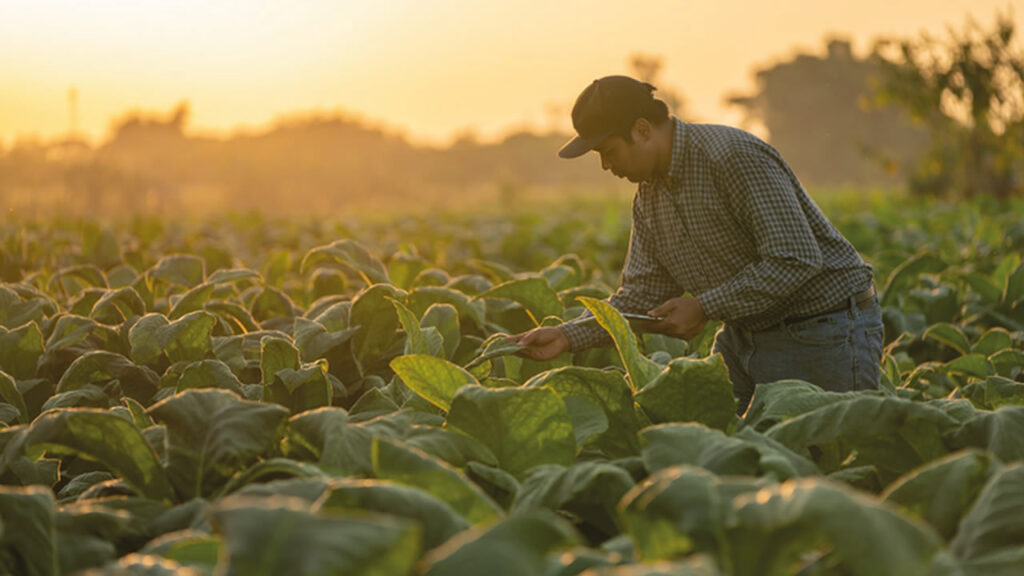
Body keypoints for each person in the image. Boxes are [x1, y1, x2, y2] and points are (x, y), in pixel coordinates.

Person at [507, 75, 883, 414]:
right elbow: (640, 295)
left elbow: (796, 259)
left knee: (823, 471)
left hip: (824, 330)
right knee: (722, 457)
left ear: (641, 130)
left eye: (608, 152)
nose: (606, 166)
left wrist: (705, 306)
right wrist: (566, 335)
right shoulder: (649, 197)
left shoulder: (732, 157)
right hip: (744, 336)